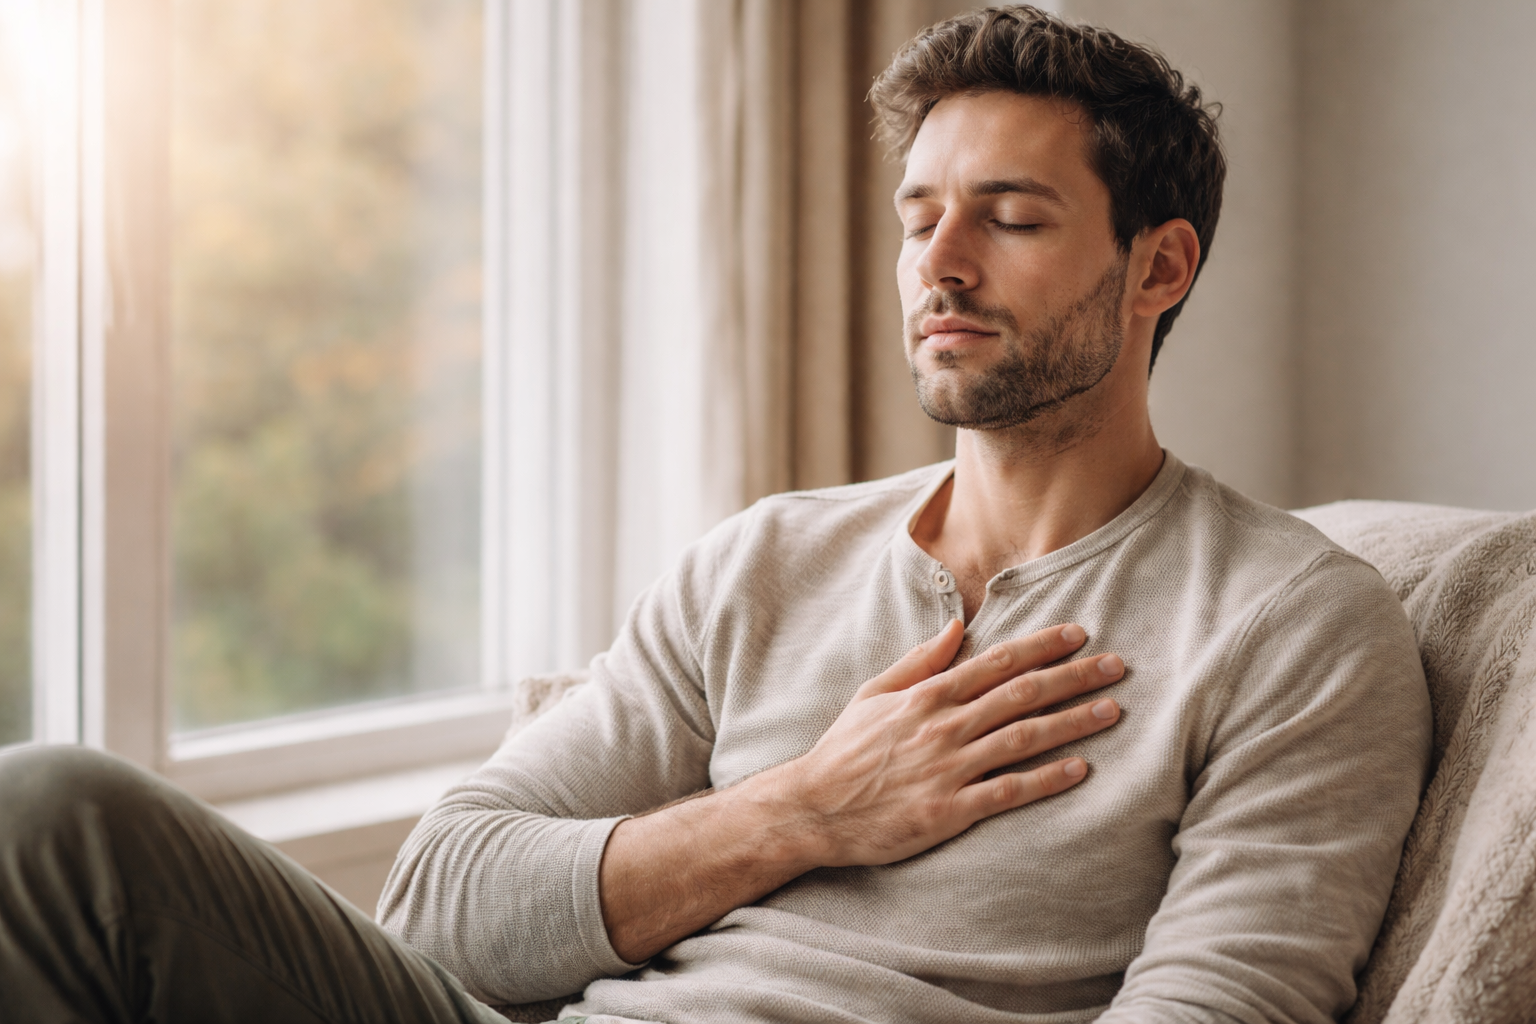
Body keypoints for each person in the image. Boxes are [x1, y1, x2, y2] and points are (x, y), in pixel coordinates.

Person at [0, 7, 1429, 1024]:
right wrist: (805, 810)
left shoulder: (1292, 626)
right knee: (48, 817)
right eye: (917, 211)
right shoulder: (767, 560)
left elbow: (1226, 1003)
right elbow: (439, 903)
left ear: (1159, 266)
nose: (937, 261)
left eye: (1011, 215)